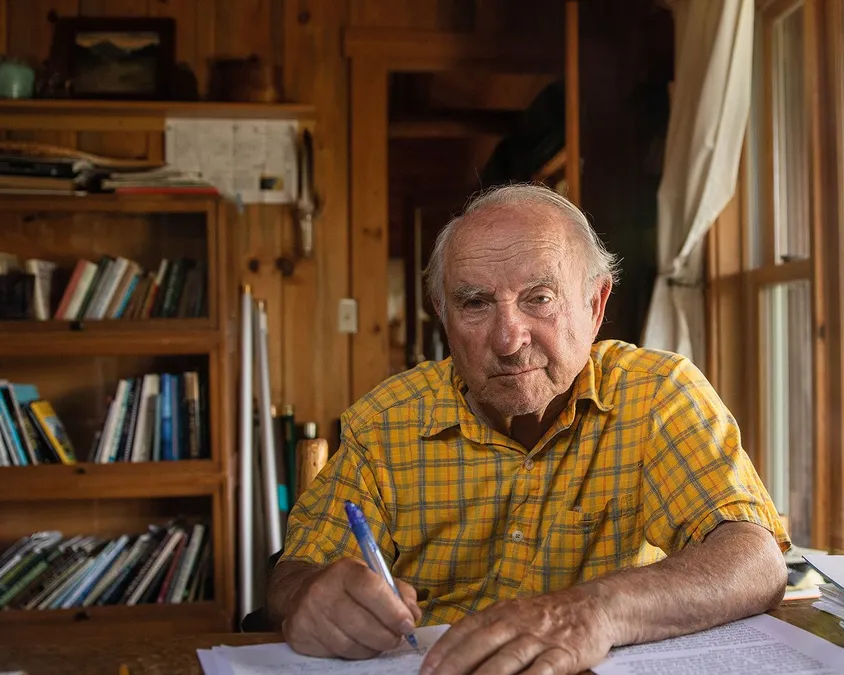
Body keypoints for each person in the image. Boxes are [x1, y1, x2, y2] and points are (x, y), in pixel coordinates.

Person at [266, 184, 790, 675]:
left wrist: (594, 611)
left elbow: (754, 560)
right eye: (475, 303)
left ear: (595, 304)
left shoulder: (656, 395)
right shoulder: (385, 423)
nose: (509, 339)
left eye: (539, 298)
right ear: (443, 317)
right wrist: (311, 596)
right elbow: (296, 574)